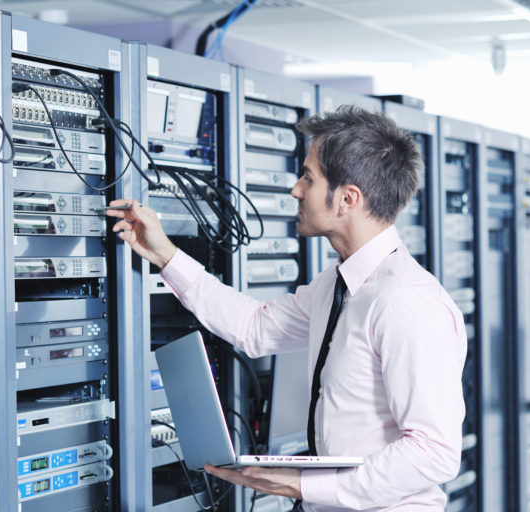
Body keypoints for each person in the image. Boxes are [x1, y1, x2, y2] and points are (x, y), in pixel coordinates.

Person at [107, 105, 466, 511]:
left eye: (309, 178)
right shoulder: (338, 285)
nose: (295, 190)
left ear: (348, 198)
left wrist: (303, 485)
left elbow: (434, 451)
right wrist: (166, 255)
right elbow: (256, 327)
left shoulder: (405, 302)